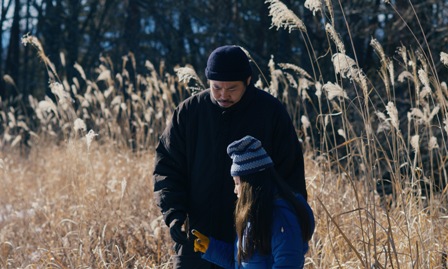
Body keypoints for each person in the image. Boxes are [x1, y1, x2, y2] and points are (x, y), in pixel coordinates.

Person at [153, 45, 307, 268]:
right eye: (216, 87)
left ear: (248, 80)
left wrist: (286, 226)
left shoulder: (270, 113)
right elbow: (167, 169)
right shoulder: (189, 113)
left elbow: (290, 177)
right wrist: (174, 214)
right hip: (197, 239)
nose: (223, 95)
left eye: (232, 88)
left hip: (253, 239)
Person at [192, 135, 315, 268]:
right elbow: (242, 263)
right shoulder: (255, 214)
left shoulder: (281, 217)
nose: (235, 190)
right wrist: (211, 248)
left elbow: (289, 263)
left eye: (237, 183)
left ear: (249, 184)